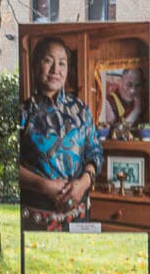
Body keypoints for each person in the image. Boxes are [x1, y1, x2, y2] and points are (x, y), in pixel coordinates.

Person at [19, 35, 103, 230]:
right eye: (48, 61)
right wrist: (43, 185)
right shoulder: (22, 113)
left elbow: (95, 152)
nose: (55, 70)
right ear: (35, 65)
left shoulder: (81, 110)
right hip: (36, 219)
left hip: (79, 218)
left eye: (62, 63)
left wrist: (83, 183)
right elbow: (8, 164)